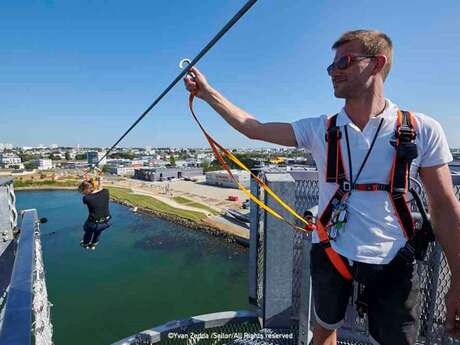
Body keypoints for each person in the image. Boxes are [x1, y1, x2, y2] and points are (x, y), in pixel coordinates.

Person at [184, 30, 460, 344]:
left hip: (394, 258)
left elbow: (445, 205)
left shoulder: (421, 129)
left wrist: (459, 278)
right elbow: (254, 129)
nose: (334, 72)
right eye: (331, 67)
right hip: (332, 251)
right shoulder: (320, 129)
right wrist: (208, 94)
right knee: (324, 330)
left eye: (344, 61)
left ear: (377, 64)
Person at [78, 174, 111, 250]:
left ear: (86, 189)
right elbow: (100, 188)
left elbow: (94, 191)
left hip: (93, 224)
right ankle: (93, 244)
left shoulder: (86, 198)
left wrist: (87, 181)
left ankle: (86, 243)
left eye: (83, 191)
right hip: (106, 222)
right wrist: (97, 180)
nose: (83, 193)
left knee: (87, 229)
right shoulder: (106, 192)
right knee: (98, 231)